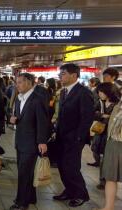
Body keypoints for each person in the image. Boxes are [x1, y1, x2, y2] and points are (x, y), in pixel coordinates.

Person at [53, 63, 94, 207]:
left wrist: (78, 138)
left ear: (74, 75)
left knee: (71, 166)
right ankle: (69, 190)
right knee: (62, 165)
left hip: (74, 138)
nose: (60, 76)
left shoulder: (83, 92)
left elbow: (87, 118)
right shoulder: (64, 91)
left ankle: (81, 194)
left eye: (63, 73)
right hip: (61, 136)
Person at [9, 73, 49, 210]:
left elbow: (43, 122)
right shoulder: (20, 99)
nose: (17, 85)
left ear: (29, 83)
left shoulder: (37, 99)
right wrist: (14, 119)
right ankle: (31, 197)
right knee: (26, 172)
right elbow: (19, 117)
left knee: (24, 173)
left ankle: (21, 202)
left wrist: (42, 141)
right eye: (17, 82)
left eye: (20, 82)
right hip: (20, 141)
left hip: (31, 143)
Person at [88, 83, 119, 190]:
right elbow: (91, 112)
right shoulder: (100, 102)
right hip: (99, 132)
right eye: (99, 92)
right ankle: (103, 178)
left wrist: (109, 118)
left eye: (101, 92)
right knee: (96, 152)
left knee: (105, 158)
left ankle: (104, 180)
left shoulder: (117, 104)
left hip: (110, 134)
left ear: (108, 92)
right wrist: (102, 115)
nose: (99, 94)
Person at [98, 100, 122, 210]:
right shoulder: (119, 104)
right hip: (113, 142)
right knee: (110, 177)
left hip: (118, 142)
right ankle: (108, 207)